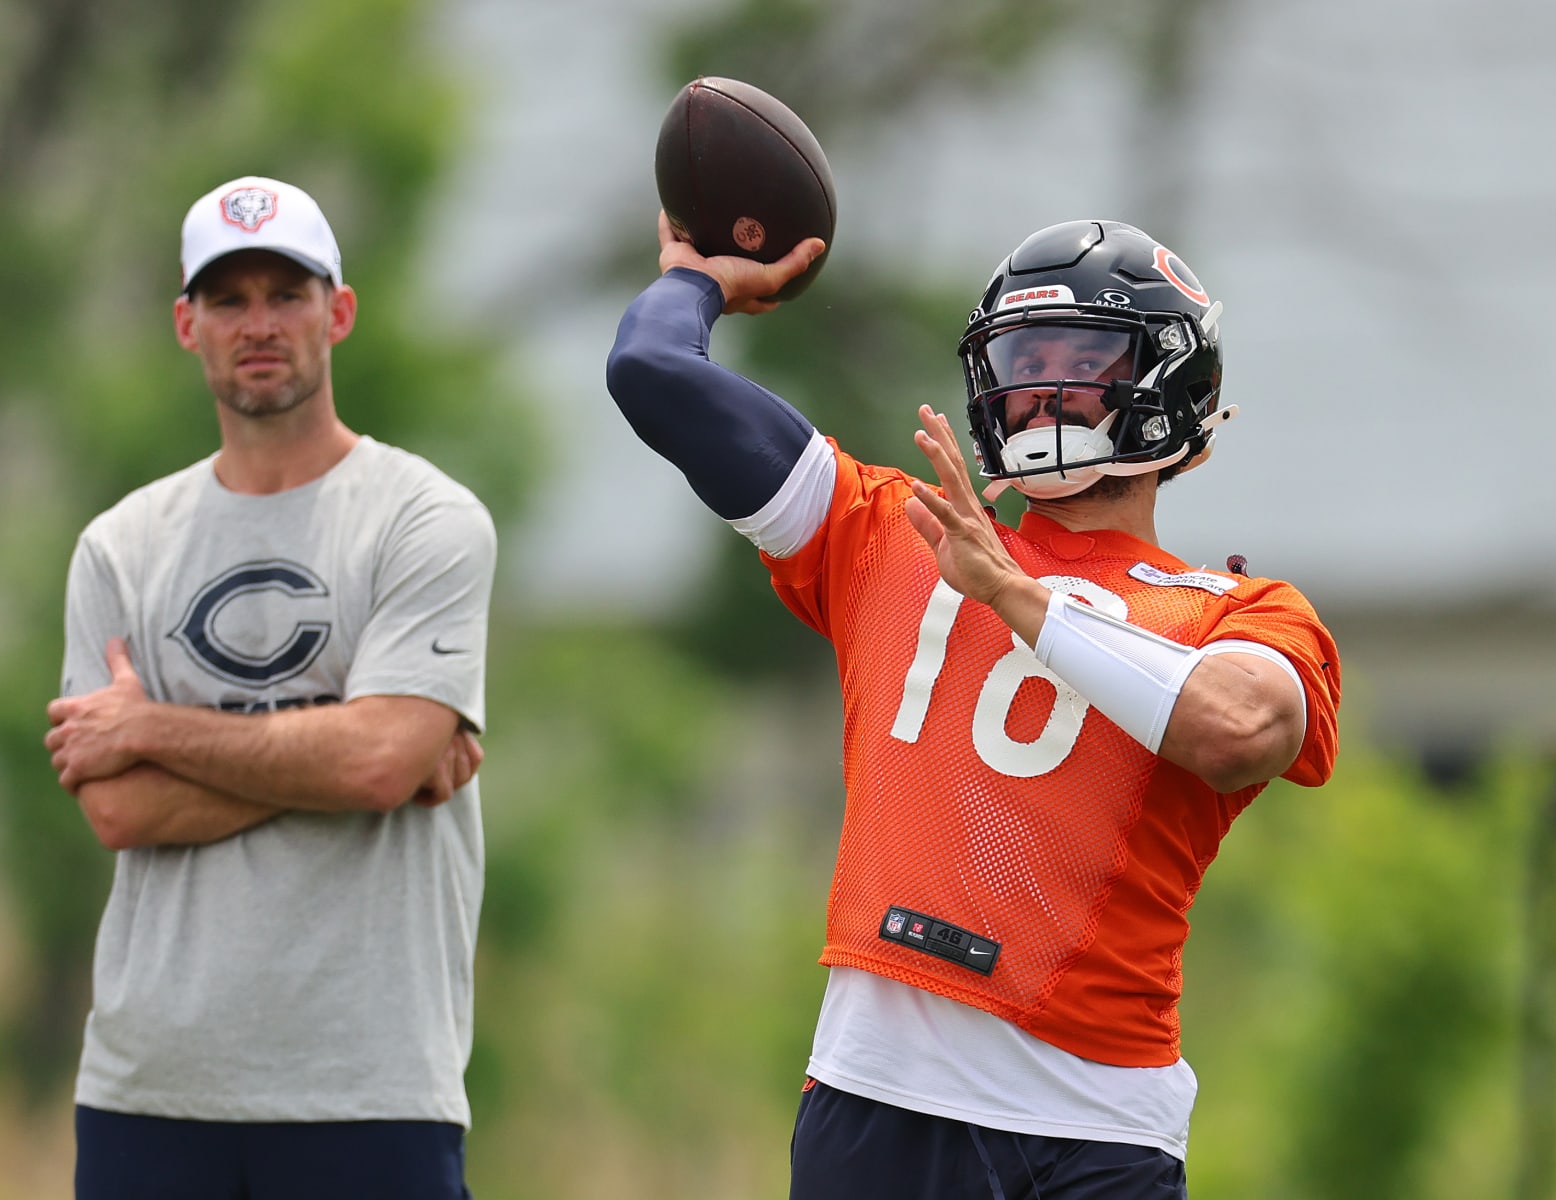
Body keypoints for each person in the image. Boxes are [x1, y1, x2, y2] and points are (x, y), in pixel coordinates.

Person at [607, 214, 1341, 1200]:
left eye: (1080, 362)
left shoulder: (1239, 610)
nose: (1040, 392)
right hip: (880, 1100)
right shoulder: (891, 531)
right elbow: (654, 377)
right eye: (1020, 361)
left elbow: (1240, 729)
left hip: (1095, 1124)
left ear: (1171, 388)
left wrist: (1017, 597)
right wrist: (696, 281)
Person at [43, 175, 496, 1200]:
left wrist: (154, 727)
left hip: (371, 1087)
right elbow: (116, 806)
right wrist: (355, 750)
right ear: (184, 325)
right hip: (149, 1090)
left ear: (338, 311)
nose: (260, 324)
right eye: (229, 299)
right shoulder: (118, 547)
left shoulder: (423, 520)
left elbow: (380, 762)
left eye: (286, 294)